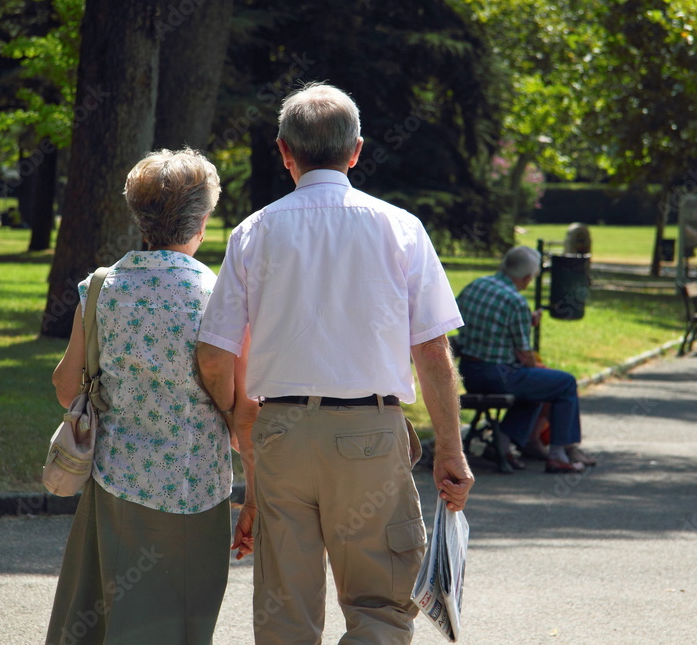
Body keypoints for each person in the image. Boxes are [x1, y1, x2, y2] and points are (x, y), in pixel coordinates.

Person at [195, 82, 474, 644]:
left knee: (285, 613)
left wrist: (241, 424)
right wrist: (450, 446)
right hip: (370, 431)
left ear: (284, 152)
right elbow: (432, 351)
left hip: (281, 434)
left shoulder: (254, 231)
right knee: (380, 604)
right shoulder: (400, 227)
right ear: (357, 150)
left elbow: (215, 352)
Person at [45, 148, 247, 645]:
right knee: (182, 620)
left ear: (141, 217)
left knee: (108, 615)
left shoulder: (99, 288)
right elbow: (240, 402)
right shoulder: (217, 295)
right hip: (196, 485)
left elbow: (66, 386)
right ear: (200, 220)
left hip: (117, 479)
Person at [456, 245, 596, 474]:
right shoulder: (515, 301)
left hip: (470, 372)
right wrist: (536, 366)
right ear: (528, 277)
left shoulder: (475, 286)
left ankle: (501, 443)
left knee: (538, 384)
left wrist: (522, 323)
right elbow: (524, 354)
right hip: (498, 376)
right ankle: (559, 454)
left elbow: (476, 325)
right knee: (563, 382)